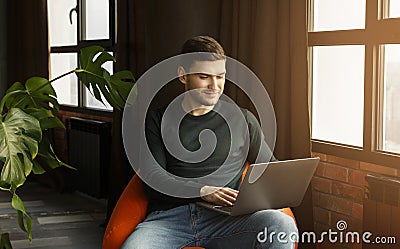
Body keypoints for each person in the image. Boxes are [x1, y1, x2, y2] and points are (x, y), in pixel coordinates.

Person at [122, 36, 297, 249]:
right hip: (169, 219)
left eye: (220, 76)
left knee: (281, 224)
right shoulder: (156, 120)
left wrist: (276, 191)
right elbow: (152, 180)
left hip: (226, 220)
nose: (214, 86)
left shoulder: (243, 119)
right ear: (183, 75)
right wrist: (202, 190)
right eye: (204, 76)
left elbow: (270, 168)